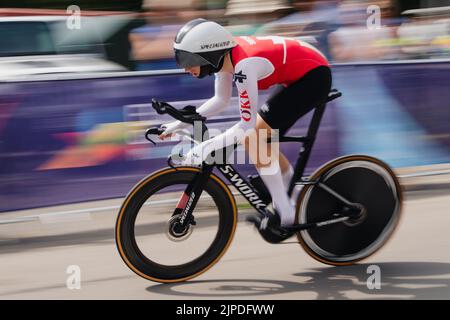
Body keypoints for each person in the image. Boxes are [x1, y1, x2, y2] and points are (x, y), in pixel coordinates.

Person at [159, 18, 332, 242]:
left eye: (188, 59)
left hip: (314, 77)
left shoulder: (244, 64)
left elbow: (246, 126)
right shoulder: (225, 59)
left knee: (255, 137)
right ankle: (296, 196)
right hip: (297, 73)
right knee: (261, 138)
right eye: (181, 58)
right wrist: (179, 124)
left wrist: (205, 147)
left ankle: (285, 212)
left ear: (208, 53)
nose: (185, 67)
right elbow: (220, 100)